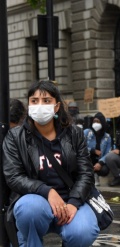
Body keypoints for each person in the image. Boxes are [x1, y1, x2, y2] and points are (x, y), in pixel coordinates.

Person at [2, 80, 99, 246]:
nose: (40, 105)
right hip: (35, 200)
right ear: (29, 105)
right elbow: (14, 176)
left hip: (70, 200)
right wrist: (47, 191)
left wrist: (74, 203)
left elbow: (86, 173)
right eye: (34, 101)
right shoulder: (15, 137)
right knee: (28, 211)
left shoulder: (74, 133)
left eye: (46, 101)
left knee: (83, 231)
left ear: (56, 106)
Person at [84, 112, 112, 186]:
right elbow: (80, 146)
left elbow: (108, 153)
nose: (96, 123)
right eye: (94, 121)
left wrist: (100, 163)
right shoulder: (86, 132)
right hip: (87, 158)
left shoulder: (107, 137)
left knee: (104, 170)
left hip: (99, 160)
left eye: (98, 122)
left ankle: (95, 175)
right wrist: (93, 150)